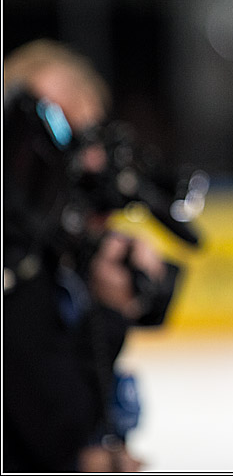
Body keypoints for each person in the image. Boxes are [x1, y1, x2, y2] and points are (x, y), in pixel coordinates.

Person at [3, 40, 168, 472]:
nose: (85, 161)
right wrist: (110, 314)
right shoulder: (18, 262)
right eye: (59, 131)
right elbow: (58, 426)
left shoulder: (59, 249)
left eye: (88, 136)